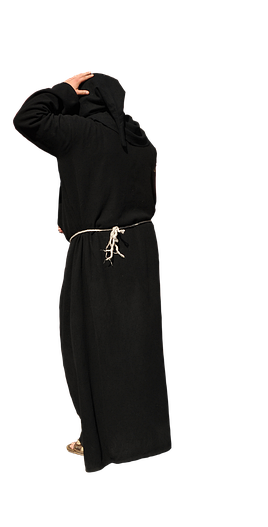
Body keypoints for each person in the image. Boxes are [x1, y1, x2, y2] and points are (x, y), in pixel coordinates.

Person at [13, 70, 171, 473]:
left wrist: (62, 90)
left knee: (87, 344)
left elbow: (27, 118)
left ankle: (100, 440)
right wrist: (70, 213)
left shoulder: (79, 132)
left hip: (101, 251)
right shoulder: (137, 138)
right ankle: (144, 439)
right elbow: (111, 181)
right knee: (136, 346)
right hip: (141, 250)